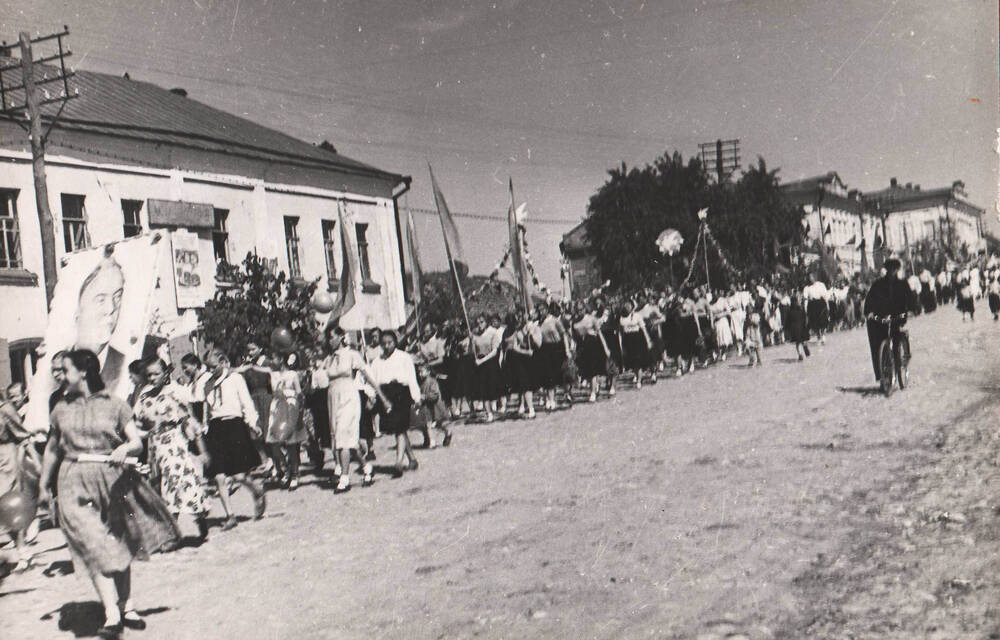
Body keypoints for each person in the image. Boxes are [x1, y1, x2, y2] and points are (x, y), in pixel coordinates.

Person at [39, 349, 179, 637]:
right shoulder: (60, 408)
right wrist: (43, 485)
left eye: (65, 371)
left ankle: (127, 605)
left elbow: (136, 443)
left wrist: (123, 448)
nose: (60, 376)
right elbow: (53, 449)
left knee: (119, 542)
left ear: (84, 373)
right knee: (93, 544)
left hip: (113, 479)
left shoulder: (115, 405)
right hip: (72, 480)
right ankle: (111, 613)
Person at [133, 358, 210, 544]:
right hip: (155, 446)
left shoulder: (176, 392)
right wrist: (143, 431)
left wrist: (202, 450)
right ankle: (178, 528)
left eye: (156, 374)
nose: (152, 378)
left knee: (176, 484)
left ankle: (182, 528)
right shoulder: (144, 396)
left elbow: (188, 420)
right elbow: (137, 421)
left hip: (174, 445)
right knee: (160, 487)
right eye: (149, 374)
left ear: (165, 373)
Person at [202, 349, 266, 530]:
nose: (210, 370)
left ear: (223, 362)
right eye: (207, 367)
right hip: (215, 429)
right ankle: (230, 516)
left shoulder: (236, 379)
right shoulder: (207, 384)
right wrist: (204, 426)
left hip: (234, 426)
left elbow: (246, 402)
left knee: (239, 476)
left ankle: (257, 490)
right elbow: (207, 409)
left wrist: (253, 423)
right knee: (219, 477)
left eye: (213, 366)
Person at [370, 330, 422, 477]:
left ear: (395, 342)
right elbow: (373, 381)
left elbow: (412, 378)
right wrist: (372, 396)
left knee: (400, 427)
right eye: (383, 344)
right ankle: (411, 459)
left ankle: (398, 462)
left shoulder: (404, 357)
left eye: (390, 343)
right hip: (386, 395)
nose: (386, 346)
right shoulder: (377, 361)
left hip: (401, 394)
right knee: (398, 429)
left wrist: (416, 397)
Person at [74, 256, 127, 389]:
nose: (111, 309)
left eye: (117, 297)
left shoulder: (125, 366)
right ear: (78, 310)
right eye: (101, 300)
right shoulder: (59, 367)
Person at [862, 258, 910, 383]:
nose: (891, 272)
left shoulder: (902, 284)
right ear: (887, 270)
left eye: (894, 270)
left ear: (897, 270)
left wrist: (910, 309)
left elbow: (910, 299)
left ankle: (899, 363)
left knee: (896, 337)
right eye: (889, 270)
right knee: (876, 341)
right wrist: (869, 312)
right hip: (881, 317)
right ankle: (882, 373)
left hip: (897, 316)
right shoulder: (878, 284)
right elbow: (870, 299)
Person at [0, 384, 32, 570]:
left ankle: (22, 551)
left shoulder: (5, 409)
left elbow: (22, 435)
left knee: (8, 505)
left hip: (6, 457)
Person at [265, 353, 307, 490]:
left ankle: (294, 474)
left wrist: (300, 411)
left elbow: (299, 392)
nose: (272, 360)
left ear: (282, 359)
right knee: (274, 443)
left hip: (290, 406)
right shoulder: (272, 374)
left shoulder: (292, 374)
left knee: (291, 443)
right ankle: (285, 468)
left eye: (275, 358)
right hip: (277, 407)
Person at [784, 293, 811, 360]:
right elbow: (805, 318)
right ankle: (804, 349)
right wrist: (807, 326)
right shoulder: (801, 309)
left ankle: (800, 354)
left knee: (798, 342)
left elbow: (787, 321)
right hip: (801, 327)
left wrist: (786, 328)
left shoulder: (789, 311)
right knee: (803, 340)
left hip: (794, 328)